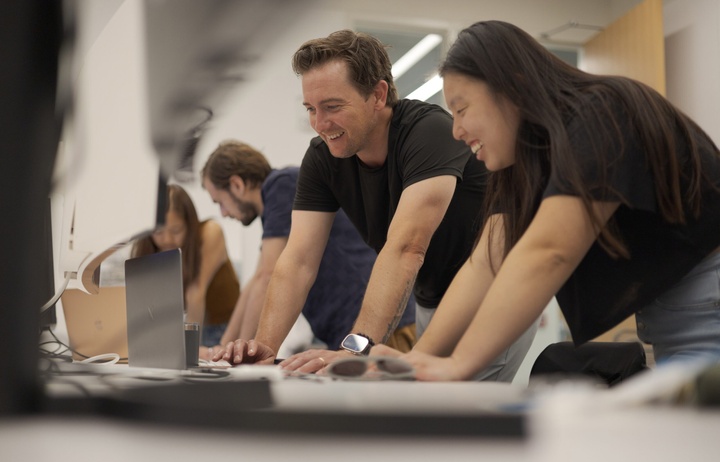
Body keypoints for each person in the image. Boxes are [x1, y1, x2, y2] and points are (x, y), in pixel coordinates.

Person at [373, 20, 720, 381]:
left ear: (514, 88)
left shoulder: (602, 112)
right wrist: (419, 358)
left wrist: (460, 363)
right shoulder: (528, 161)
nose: (457, 131)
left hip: (707, 302)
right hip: (677, 311)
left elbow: (549, 250)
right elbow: (486, 262)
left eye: (461, 109)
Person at [215, 29, 538, 381]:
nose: (320, 124)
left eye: (333, 107)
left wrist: (352, 351)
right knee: (426, 419)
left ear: (378, 94)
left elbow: (406, 248)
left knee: (459, 423)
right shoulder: (323, 159)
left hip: (491, 292)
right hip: (432, 300)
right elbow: (297, 261)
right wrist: (265, 348)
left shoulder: (428, 132)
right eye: (311, 109)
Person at [201, 140, 415, 356]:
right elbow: (256, 281)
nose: (224, 213)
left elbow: (265, 277)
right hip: (352, 330)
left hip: (377, 328)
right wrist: (224, 346)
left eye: (220, 202)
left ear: (237, 184)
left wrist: (240, 351)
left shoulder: (280, 185)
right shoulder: (276, 202)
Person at [131, 184, 240, 349]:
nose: (167, 239)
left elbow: (195, 292)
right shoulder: (148, 249)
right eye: (158, 232)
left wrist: (190, 349)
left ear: (190, 225)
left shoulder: (210, 232)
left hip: (225, 329)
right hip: (182, 327)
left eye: (176, 230)